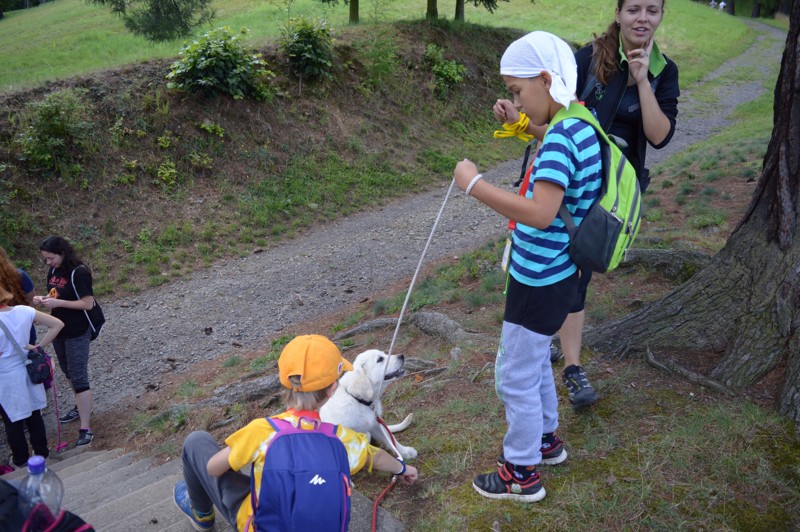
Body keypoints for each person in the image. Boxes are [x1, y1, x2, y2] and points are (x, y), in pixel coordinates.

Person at [493, 0, 679, 409]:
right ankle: (567, 361)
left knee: (578, 271)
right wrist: (521, 122)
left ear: (661, 16)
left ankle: (554, 351)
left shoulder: (665, 71)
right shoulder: (587, 59)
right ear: (618, 13)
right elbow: (559, 116)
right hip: (570, 188)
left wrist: (642, 81)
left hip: (610, 198)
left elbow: (660, 135)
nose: (642, 18)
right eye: (633, 9)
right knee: (566, 272)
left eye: (652, 10)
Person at [455, 31, 602, 502]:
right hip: (560, 275)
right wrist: (522, 122)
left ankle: (521, 472)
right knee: (535, 360)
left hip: (538, 277)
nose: (515, 98)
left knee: (514, 375)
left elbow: (539, 212)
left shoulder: (560, 140)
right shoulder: (580, 121)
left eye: (518, 91)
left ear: (545, 79)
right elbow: (551, 137)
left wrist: (474, 184)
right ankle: (545, 439)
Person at [173, 334, 419, 531]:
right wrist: (403, 468)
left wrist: (242, 458)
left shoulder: (262, 431)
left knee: (196, 441)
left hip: (258, 523)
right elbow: (375, 457)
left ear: (284, 381)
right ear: (333, 389)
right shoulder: (340, 438)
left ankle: (202, 516)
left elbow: (213, 469)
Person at [32, 236, 97, 447]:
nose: (48, 263)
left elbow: (88, 304)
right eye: (46, 259)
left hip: (77, 331)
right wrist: (43, 299)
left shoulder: (79, 272)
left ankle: (85, 428)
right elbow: (55, 293)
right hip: (59, 330)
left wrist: (58, 302)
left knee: (79, 377)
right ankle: (80, 407)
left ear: (62, 252)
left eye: (51, 258)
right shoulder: (53, 271)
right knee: (68, 372)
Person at [0, 286, 64, 468]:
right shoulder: (24, 311)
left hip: (5, 378)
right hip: (28, 370)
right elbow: (57, 324)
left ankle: (20, 461)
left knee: (12, 421)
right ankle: (42, 454)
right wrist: (38, 347)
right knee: (34, 415)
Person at [0, 247, 37, 345]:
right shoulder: (19, 275)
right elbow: (32, 301)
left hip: (21, 329)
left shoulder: (19, 276)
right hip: (23, 328)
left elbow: (32, 300)